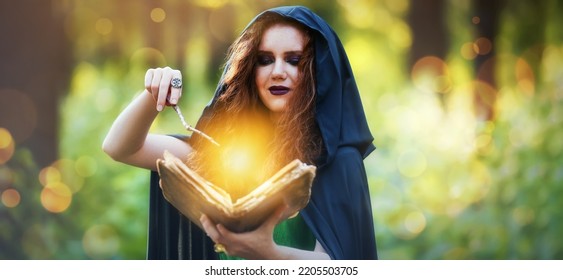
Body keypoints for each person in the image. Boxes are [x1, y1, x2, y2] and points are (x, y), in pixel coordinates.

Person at [103, 5, 377, 260]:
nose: (278, 72)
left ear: (317, 71)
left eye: (294, 60)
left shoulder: (338, 161)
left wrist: (268, 252)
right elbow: (120, 147)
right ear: (249, 69)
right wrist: (155, 93)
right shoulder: (223, 154)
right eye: (265, 60)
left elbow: (338, 266)